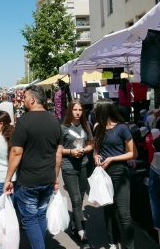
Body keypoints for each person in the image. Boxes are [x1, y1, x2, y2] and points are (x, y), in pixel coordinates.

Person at [4, 85, 63, 249]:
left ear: (32, 99)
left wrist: (8, 179)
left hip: (28, 180)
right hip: (48, 178)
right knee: (40, 214)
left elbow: (16, 152)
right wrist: (55, 176)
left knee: (29, 218)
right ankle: (40, 244)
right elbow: (59, 153)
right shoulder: (55, 121)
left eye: (24, 98)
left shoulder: (24, 121)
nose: (23, 101)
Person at [93, 99, 137, 249]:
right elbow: (96, 147)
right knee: (108, 210)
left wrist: (112, 158)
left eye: (96, 109)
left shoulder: (122, 128)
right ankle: (112, 242)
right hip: (104, 174)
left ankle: (130, 246)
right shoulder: (98, 127)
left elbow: (133, 153)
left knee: (124, 213)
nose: (94, 112)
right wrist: (95, 155)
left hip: (120, 172)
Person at [61, 100, 93, 249]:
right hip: (68, 167)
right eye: (75, 109)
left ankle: (74, 224)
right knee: (76, 200)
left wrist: (84, 151)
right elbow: (58, 149)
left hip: (83, 165)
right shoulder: (63, 128)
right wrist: (70, 152)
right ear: (70, 111)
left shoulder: (86, 126)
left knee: (80, 198)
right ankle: (83, 235)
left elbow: (90, 145)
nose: (78, 112)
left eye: (80, 109)